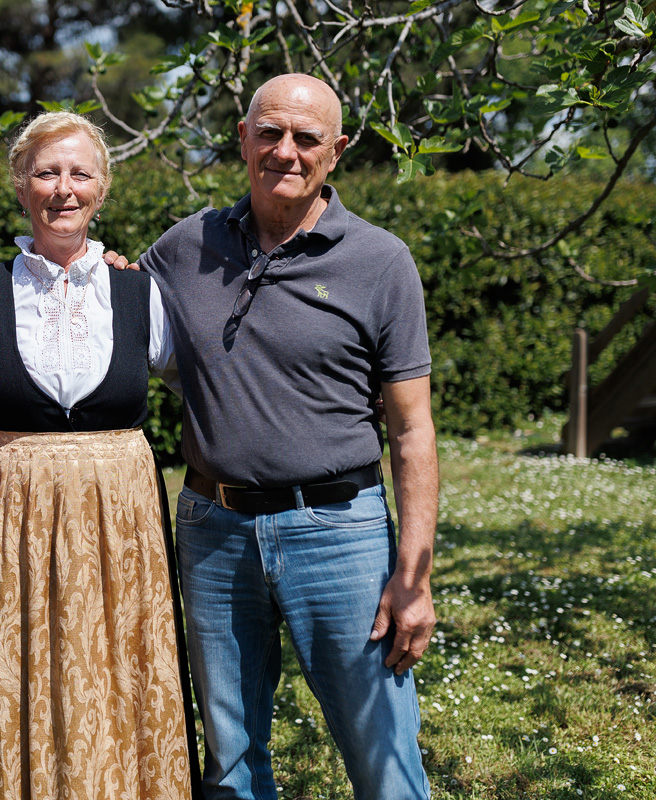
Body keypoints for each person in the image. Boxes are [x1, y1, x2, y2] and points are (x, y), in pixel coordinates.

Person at [135, 74, 439, 799]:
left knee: (381, 755)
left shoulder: (380, 261)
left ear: (335, 152)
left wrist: (415, 578)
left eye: (307, 138)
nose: (286, 151)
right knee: (231, 760)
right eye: (269, 132)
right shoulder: (185, 247)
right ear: (242, 139)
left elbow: (413, 429)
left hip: (340, 532)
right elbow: (117, 309)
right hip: (215, 530)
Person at [0, 111, 200, 800]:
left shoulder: (141, 292)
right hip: (13, 515)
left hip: (121, 519)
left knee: (120, 659)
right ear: (20, 186)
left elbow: (209, 381)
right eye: (46, 172)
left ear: (102, 187)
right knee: (21, 662)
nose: (64, 188)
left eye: (80, 173)